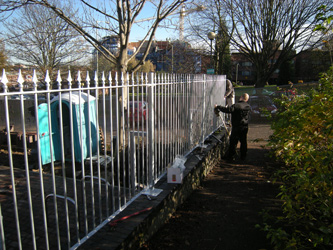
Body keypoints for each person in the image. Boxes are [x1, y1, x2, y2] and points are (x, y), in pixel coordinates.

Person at [214, 93, 251, 161]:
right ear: (247, 99)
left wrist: (218, 107)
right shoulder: (248, 106)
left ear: (241, 97)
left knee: (233, 141)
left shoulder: (236, 105)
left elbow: (228, 110)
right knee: (243, 141)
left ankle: (231, 156)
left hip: (237, 126)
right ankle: (243, 156)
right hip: (244, 126)